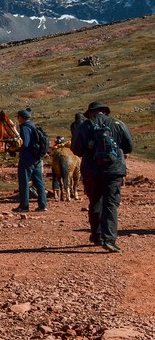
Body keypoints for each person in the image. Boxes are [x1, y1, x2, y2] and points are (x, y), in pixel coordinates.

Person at [71, 101, 135, 252]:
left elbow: (76, 149)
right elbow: (129, 147)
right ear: (105, 111)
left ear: (91, 112)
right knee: (111, 203)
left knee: (95, 201)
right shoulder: (118, 124)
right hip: (114, 170)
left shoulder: (84, 126)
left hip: (91, 170)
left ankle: (97, 236)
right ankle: (110, 239)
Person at [14, 108, 47, 213]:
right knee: (39, 182)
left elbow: (26, 144)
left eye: (18, 117)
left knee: (24, 182)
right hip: (36, 158)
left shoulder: (24, 127)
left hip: (27, 158)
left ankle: (24, 206)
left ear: (21, 118)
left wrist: (16, 149)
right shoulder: (33, 126)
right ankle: (43, 205)